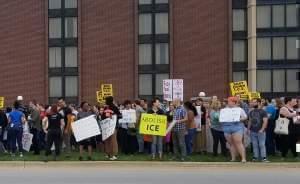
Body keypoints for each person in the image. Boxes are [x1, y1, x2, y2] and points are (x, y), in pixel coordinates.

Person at [220, 97, 247, 163]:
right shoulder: (224, 110)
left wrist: (239, 119)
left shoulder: (240, 109)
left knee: (238, 142)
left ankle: (243, 158)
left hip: (236, 127)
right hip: (226, 127)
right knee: (231, 144)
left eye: (229, 101)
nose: (228, 103)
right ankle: (233, 158)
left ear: (234, 102)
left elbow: (245, 117)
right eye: (228, 101)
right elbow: (221, 118)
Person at [102, 96, 122, 161]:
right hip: (106, 126)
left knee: (113, 140)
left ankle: (114, 154)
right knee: (107, 140)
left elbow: (120, 115)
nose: (105, 101)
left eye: (106, 100)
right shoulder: (105, 108)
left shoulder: (114, 107)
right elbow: (102, 116)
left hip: (113, 126)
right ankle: (108, 154)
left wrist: (113, 117)